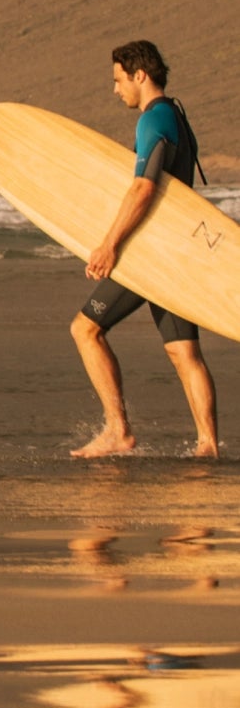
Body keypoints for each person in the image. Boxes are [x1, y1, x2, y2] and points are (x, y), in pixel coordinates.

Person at [70, 40, 218, 458]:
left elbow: (143, 187)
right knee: (183, 351)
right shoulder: (177, 117)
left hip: (150, 255)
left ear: (140, 75)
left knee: (85, 329)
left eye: (119, 80)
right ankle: (208, 445)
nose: (116, 90)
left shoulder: (154, 120)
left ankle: (118, 430)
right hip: (176, 253)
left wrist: (109, 245)